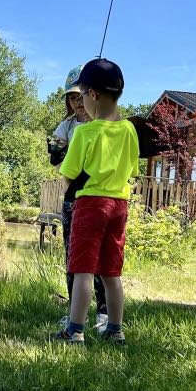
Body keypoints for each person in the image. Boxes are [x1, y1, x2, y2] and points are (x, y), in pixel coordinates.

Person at [51, 57, 138, 345]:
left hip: (90, 205)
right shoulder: (129, 130)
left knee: (83, 270)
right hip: (119, 207)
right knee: (111, 272)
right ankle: (115, 329)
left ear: (94, 95)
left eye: (83, 95)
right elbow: (132, 170)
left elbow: (68, 176)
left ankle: (74, 329)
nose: (81, 102)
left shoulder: (85, 132)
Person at [48, 66, 108, 331]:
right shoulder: (67, 126)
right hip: (73, 199)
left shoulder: (104, 125)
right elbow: (56, 160)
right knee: (73, 256)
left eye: (82, 96)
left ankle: (103, 313)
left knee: (101, 257)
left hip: (99, 197)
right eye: (73, 98)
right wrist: (58, 150)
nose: (78, 102)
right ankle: (75, 311)